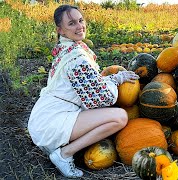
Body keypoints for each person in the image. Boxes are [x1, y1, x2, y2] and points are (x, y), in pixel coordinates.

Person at [27, 4, 139, 178]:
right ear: (61, 30)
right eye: (71, 23)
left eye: (80, 20)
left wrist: (111, 79)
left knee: (102, 113)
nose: (79, 26)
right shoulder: (76, 58)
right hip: (50, 122)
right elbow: (104, 97)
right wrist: (116, 79)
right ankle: (64, 154)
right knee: (120, 117)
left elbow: (91, 86)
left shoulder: (68, 48)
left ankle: (59, 146)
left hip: (45, 116)